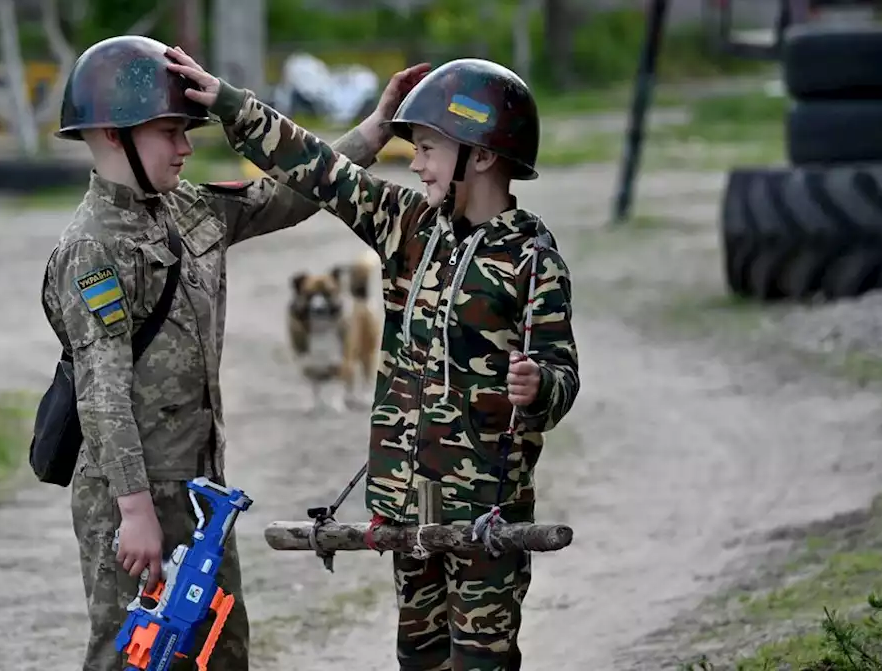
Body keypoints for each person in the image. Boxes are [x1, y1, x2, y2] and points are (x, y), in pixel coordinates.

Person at [166, 48, 581, 670]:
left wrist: (539, 385)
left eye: (428, 149)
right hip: (405, 506)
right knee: (417, 660)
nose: (414, 163)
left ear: (483, 153)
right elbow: (317, 169)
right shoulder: (405, 225)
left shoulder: (532, 261)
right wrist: (230, 103)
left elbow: (562, 373)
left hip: (487, 512)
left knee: (482, 663)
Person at [39, 34, 431, 671]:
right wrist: (134, 511)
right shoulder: (92, 248)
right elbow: (101, 387)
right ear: (115, 135)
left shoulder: (189, 209)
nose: (187, 146)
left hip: (200, 490)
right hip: (130, 492)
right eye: (171, 132)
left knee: (219, 650)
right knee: (132, 654)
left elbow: (292, 193)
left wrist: (376, 130)